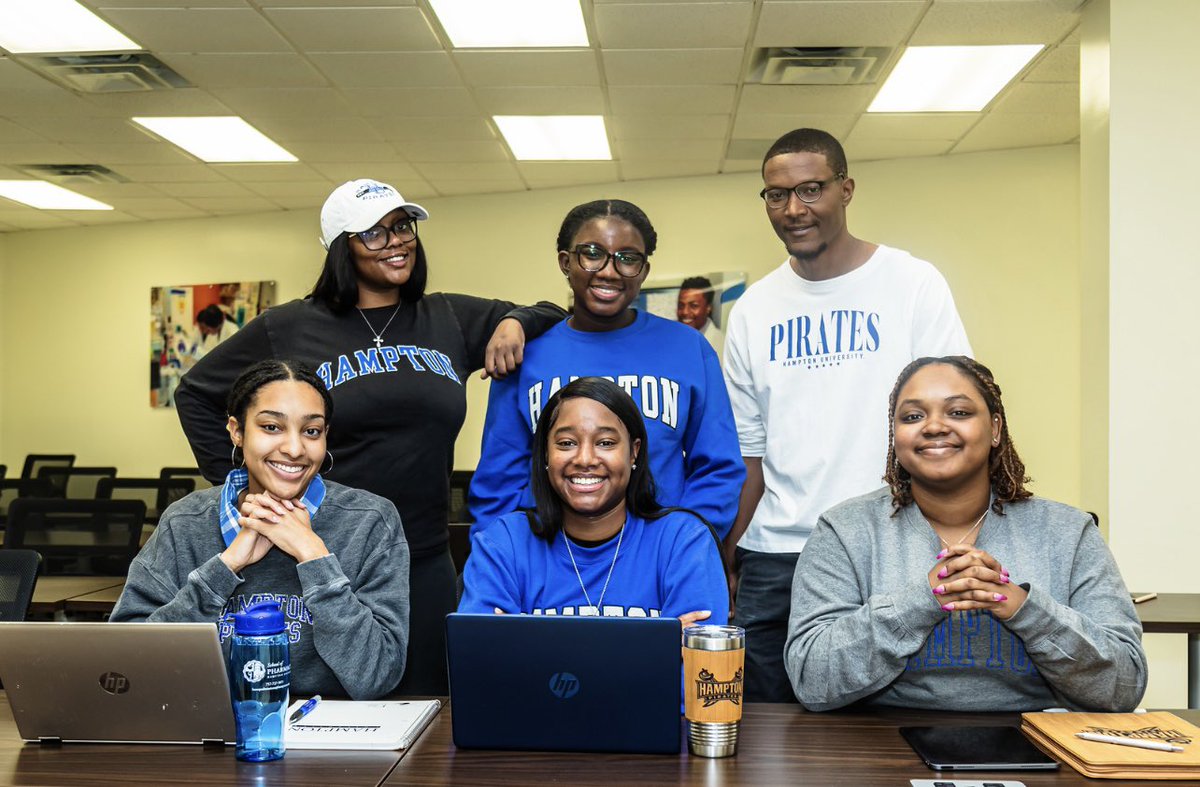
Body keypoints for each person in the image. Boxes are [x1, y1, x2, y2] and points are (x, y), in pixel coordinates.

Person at [174, 179, 566, 695]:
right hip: (323, 550)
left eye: (402, 226)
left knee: (427, 709)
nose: (397, 241)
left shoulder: (447, 316)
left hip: (422, 555)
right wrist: (252, 481)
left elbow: (555, 315)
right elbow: (196, 393)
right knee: (324, 708)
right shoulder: (291, 326)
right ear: (343, 248)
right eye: (374, 234)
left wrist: (514, 321)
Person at [723, 128, 972, 701]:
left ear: (846, 188)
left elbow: (956, 423)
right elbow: (749, 452)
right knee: (767, 738)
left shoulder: (912, 283)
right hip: (778, 556)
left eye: (810, 190)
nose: (793, 209)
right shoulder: (754, 310)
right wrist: (732, 555)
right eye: (776, 194)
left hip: (888, 547)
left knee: (883, 734)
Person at [784, 356, 1147, 711]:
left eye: (958, 412)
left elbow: (1124, 684)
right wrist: (923, 601)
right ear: (895, 436)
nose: (935, 426)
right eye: (912, 416)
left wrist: (1021, 606)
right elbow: (812, 682)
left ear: (995, 429)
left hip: (1036, 742)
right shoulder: (844, 530)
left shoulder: (1068, 532)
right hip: (878, 745)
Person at [113, 359, 410, 700]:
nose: (295, 449)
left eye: (311, 431)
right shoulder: (184, 522)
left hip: (328, 737)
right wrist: (223, 569)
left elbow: (377, 676)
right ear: (237, 431)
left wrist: (314, 556)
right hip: (200, 728)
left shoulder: (370, 520)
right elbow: (126, 664)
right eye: (272, 427)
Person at [468, 200, 744, 539]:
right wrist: (500, 555)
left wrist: (684, 544)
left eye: (628, 258)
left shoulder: (687, 348)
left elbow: (719, 467)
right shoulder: (528, 353)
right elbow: (499, 476)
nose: (610, 271)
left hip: (661, 560)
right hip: (549, 559)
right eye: (592, 253)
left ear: (643, 270)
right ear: (566, 262)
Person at [460, 377, 727, 622]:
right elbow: (482, 664)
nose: (585, 459)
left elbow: (698, 668)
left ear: (633, 452)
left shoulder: (683, 541)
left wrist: (524, 647)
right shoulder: (505, 543)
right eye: (566, 443)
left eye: (606, 443)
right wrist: (658, 647)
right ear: (544, 454)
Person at [676, 275, 725, 363]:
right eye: (681, 305)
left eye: (693, 306)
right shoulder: (672, 338)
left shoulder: (721, 345)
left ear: (708, 308)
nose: (685, 312)